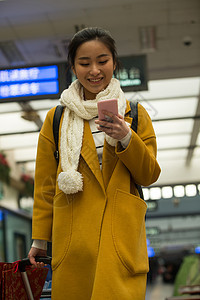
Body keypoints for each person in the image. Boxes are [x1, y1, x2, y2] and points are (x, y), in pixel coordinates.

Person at [28, 27, 161, 300]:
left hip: (120, 239)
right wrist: (40, 239)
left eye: (102, 61)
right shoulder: (57, 119)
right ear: (73, 67)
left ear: (114, 62)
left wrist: (126, 136)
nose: (95, 71)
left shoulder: (134, 114)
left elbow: (149, 174)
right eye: (84, 63)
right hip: (75, 243)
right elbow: (45, 185)